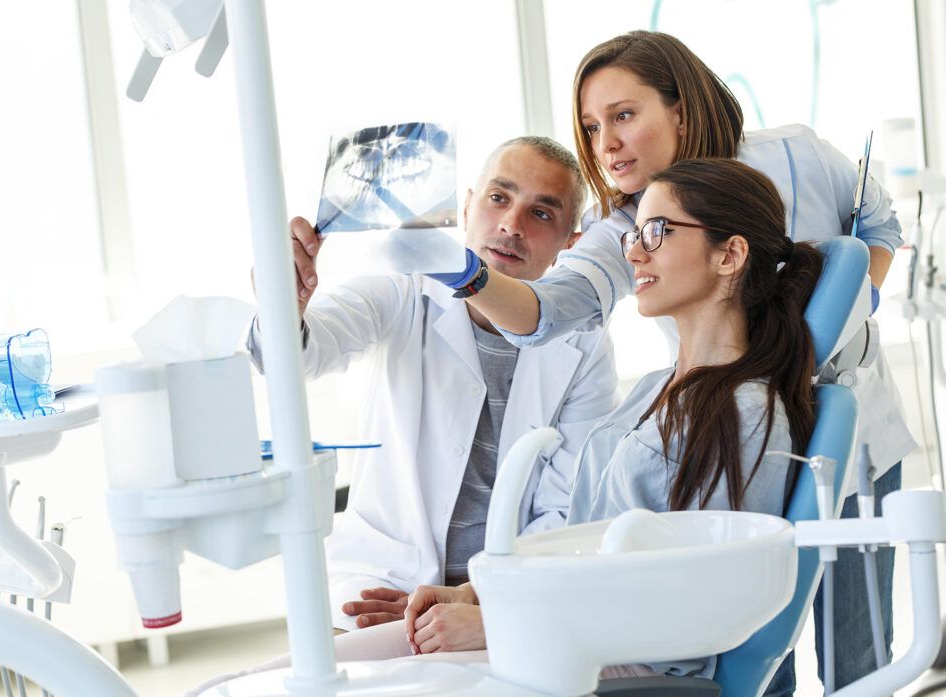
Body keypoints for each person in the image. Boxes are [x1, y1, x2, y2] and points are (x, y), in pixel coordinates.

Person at [410, 31, 910, 694]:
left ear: (679, 110)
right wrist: (461, 272)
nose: (605, 143)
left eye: (623, 115)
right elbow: (550, 308)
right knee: (766, 662)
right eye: (591, 126)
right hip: (719, 432)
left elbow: (880, 224)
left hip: (820, 435)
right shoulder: (627, 227)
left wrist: (840, 314)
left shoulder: (796, 155)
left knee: (856, 657)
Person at [251, 158, 823, 680]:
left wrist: (498, 615)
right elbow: (592, 534)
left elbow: (691, 610)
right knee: (261, 679)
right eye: (498, 199)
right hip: (490, 606)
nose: (633, 254)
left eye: (657, 232)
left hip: (580, 649)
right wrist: (479, 597)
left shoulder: (743, 414)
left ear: (730, 254)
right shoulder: (661, 388)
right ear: (471, 204)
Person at [252, 136, 620, 632]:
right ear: (466, 207)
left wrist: (478, 593)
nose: (511, 225)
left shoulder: (585, 343)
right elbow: (300, 354)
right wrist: (284, 302)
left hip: (502, 595)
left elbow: (567, 506)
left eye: (541, 214)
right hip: (381, 585)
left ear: (568, 246)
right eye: (498, 198)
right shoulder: (404, 287)